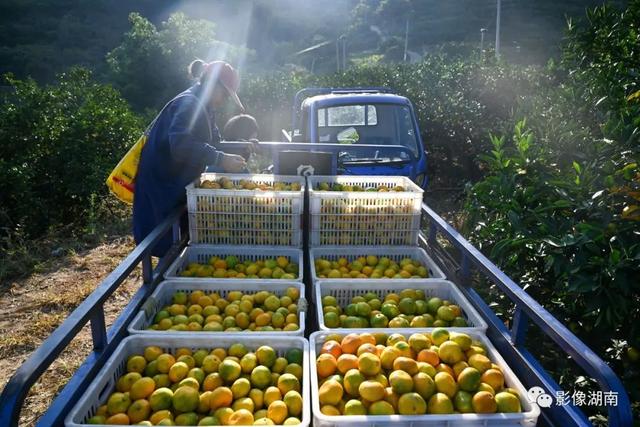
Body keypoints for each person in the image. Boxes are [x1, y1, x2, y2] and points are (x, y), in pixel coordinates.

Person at [133, 60, 247, 257]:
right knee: (166, 237)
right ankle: (167, 272)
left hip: (176, 179)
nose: (225, 100)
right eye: (225, 94)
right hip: (164, 181)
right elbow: (180, 145)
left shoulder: (205, 106)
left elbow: (215, 140)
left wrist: (241, 145)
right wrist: (220, 159)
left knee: (179, 234)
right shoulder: (189, 104)